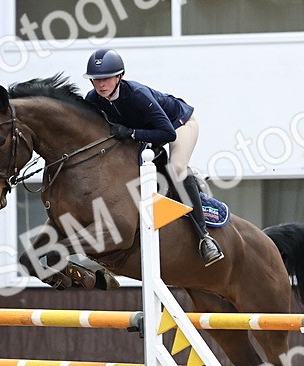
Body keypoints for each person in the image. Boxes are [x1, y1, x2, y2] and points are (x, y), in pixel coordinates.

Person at [82, 48, 224, 266]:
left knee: (176, 168)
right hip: (147, 134)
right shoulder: (93, 99)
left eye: (106, 78)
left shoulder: (137, 95)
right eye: (96, 79)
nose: (101, 85)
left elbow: (168, 133)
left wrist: (132, 133)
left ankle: (204, 238)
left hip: (179, 124)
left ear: (120, 76)